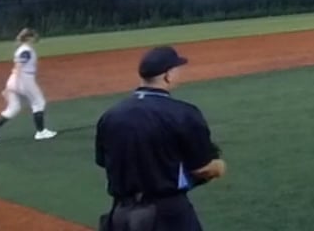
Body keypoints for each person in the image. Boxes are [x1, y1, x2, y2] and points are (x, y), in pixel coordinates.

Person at [94, 46, 226, 230]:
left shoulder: (110, 116)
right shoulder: (183, 113)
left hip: (121, 215)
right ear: (168, 76)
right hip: (166, 214)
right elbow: (202, 168)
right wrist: (218, 167)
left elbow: (103, 161)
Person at [0, 28, 56, 145]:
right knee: (38, 102)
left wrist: (9, 88)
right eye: (33, 37)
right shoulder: (26, 50)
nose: (35, 39)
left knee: (13, 109)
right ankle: (41, 132)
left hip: (13, 80)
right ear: (29, 38)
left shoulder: (22, 49)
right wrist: (16, 84)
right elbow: (19, 66)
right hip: (23, 79)